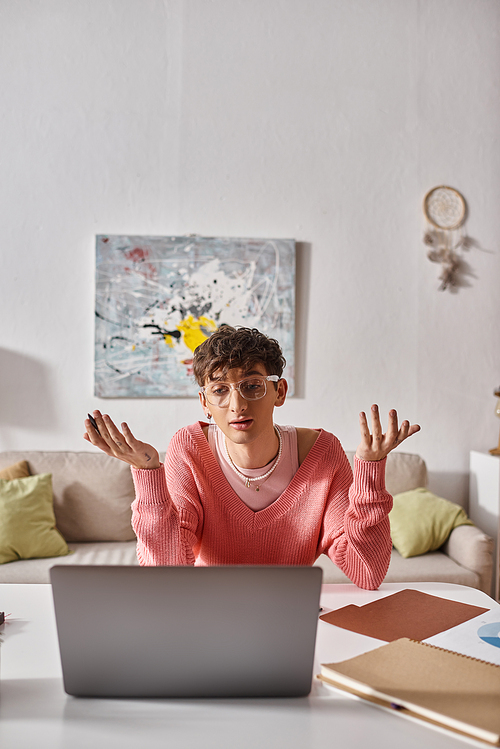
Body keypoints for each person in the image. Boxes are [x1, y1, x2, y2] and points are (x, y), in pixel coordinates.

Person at [84, 326, 420, 590]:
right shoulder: (188, 448)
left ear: (280, 391)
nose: (237, 405)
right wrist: (147, 472)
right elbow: (166, 573)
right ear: (204, 401)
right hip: (205, 610)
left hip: (290, 614)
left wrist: (369, 471)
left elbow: (367, 573)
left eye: (252, 385)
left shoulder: (321, 452)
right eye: (220, 390)